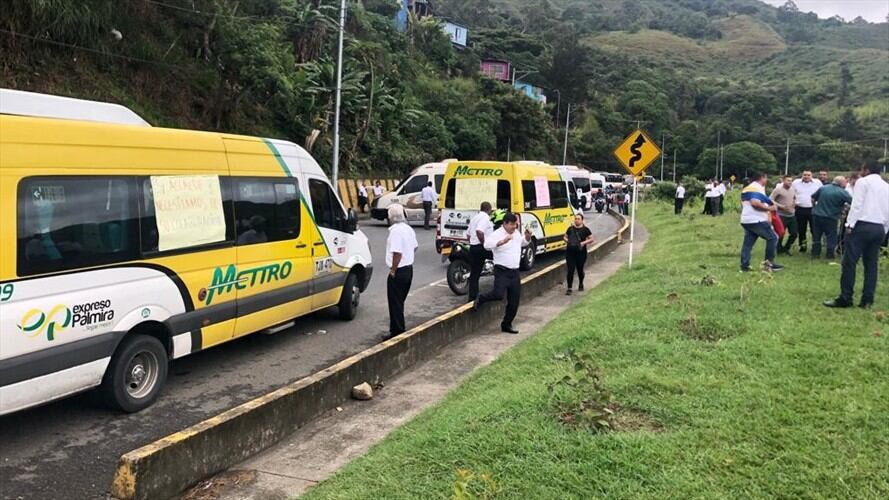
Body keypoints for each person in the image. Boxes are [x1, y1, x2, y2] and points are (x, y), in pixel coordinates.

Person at [824, 161, 889, 309]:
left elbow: (857, 205)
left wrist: (849, 224)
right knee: (871, 265)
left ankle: (846, 297)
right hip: (879, 226)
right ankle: (867, 300)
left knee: (849, 262)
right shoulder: (887, 186)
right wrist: (885, 229)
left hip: (862, 225)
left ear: (865, 170)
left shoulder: (863, 182)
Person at [473, 213, 533, 334]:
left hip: (515, 271)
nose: (514, 227)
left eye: (515, 224)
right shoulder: (497, 234)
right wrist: (501, 242)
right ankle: (481, 298)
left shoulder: (516, 233)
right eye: (511, 224)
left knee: (514, 301)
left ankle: (507, 324)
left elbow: (522, 243)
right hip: (502, 270)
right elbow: (486, 245)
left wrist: (527, 236)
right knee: (498, 294)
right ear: (505, 223)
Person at [384, 204, 418, 340]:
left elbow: (397, 252)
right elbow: (415, 247)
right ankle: (397, 327)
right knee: (399, 301)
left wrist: (393, 270)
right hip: (408, 269)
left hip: (399, 270)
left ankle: (397, 331)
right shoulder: (408, 229)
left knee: (395, 302)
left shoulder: (396, 232)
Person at [740, 173, 783, 272]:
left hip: (747, 219)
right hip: (756, 220)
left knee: (748, 243)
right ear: (762, 178)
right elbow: (755, 203)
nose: (767, 180)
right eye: (766, 178)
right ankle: (768, 264)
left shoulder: (749, 188)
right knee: (773, 238)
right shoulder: (755, 188)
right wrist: (769, 208)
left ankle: (744, 266)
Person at [810, 176, 852, 259]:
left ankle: (815, 253)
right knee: (831, 235)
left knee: (817, 234)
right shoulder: (843, 192)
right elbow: (853, 202)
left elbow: (813, 198)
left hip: (817, 215)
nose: (846, 184)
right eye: (845, 182)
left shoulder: (823, 188)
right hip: (831, 217)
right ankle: (829, 254)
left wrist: (814, 207)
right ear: (841, 183)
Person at [467, 201, 494, 302]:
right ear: (489, 209)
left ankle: (472, 296)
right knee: (499, 259)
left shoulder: (475, 218)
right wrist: (484, 243)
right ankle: (500, 288)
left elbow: (468, 235)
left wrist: (473, 243)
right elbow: (479, 231)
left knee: (475, 273)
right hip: (481, 247)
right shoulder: (485, 218)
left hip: (473, 247)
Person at [792, 170, 823, 253]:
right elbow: (792, 193)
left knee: (814, 229)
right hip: (800, 209)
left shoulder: (817, 182)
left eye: (808, 175)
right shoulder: (796, 182)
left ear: (811, 176)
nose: (806, 177)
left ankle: (815, 247)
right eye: (804, 175)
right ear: (802, 175)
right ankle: (803, 247)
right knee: (801, 230)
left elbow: (821, 194)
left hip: (812, 209)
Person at [564, 213, 595, 295]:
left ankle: (581, 283)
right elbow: (565, 236)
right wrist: (568, 241)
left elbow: (591, 239)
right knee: (570, 270)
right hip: (570, 252)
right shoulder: (570, 229)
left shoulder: (585, 230)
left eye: (578, 219)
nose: (576, 220)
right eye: (575, 218)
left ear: (582, 220)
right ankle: (569, 288)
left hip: (581, 253)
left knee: (580, 270)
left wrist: (583, 243)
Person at [769, 176, 798, 255]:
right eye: (788, 180)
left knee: (794, 233)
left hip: (791, 215)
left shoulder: (792, 189)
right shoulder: (778, 190)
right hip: (781, 215)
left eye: (791, 181)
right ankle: (779, 248)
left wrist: (794, 204)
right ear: (783, 181)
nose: (790, 182)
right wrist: (780, 206)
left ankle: (786, 248)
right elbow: (770, 199)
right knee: (781, 233)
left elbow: (794, 198)